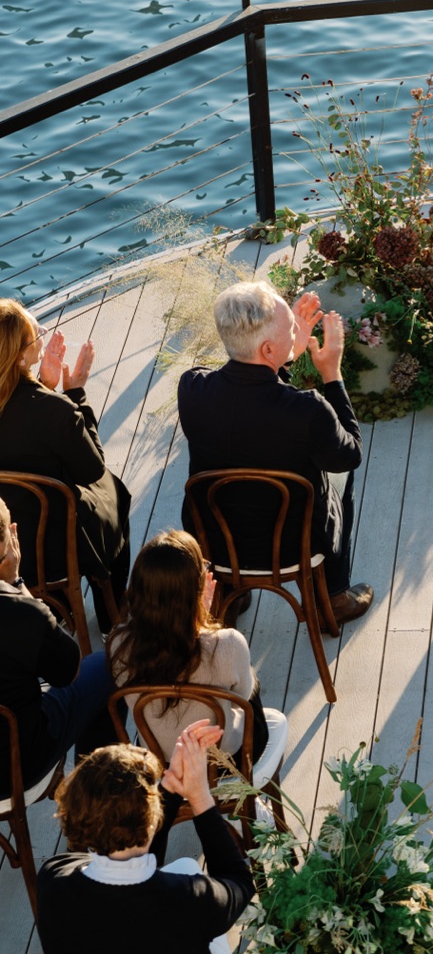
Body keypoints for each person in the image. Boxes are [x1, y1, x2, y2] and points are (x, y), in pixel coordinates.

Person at [36, 724, 252, 954]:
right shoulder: (189, 901)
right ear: (153, 821)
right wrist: (199, 797)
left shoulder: (53, 883)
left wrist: (166, 788)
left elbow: (125, 871)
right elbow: (238, 881)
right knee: (210, 926)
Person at [178, 281, 372, 624]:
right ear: (268, 349)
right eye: (291, 328)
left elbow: (248, 400)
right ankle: (334, 596)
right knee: (342, 472)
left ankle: (226, 593)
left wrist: (286, 354)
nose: (297, 330)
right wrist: (332, 375)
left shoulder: (192, 388)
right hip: (292, 546)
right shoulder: (308, 411)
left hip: (217, 543)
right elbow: (349, 454)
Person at [0, 299, 131, 622]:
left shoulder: (46, 406)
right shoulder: (54, 411)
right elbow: (92, 470)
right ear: (20, 357)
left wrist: (46, 387)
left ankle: (58, 607)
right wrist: (74, 396)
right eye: (36, 337)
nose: (42, 339)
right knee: (116, 491)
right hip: (54, 548)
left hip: (5, 542)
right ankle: (110, 617)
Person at [108, 529, 277, 763]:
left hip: (160, 759)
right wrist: (203, 616)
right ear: (197, 590)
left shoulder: (118, 643)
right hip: (223, 761)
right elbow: (243, 695)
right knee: (248, 680)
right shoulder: (227, 644)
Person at [0, 494, 116, 798]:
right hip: (16, 767)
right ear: (8, 543)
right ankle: (96, 802)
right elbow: (69, 671)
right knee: (106, 667)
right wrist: (16, 584)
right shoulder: (22, 615)